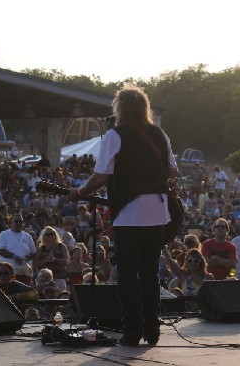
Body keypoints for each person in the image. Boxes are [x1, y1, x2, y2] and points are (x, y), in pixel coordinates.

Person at [66, 85, 177, 347]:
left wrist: (80, 192)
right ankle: (152, 331)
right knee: (150, 275)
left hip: (130, 214)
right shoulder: (160, 134)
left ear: (119, 109)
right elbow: (172, 172)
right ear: (145, 108)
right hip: (158, 213)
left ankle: (131, 333)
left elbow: (102, 175)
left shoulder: (115, 135)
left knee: (127, 276)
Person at [0, 214, 37, 285]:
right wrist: (15, 257)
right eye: (16, 221)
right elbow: (0, 250)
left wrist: (28, 257)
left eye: (20, 222)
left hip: (25, 273)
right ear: (11, 223)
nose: (19, 223)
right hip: (8, 273)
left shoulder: (27, 236)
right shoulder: (4, 234)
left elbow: (34, 252)